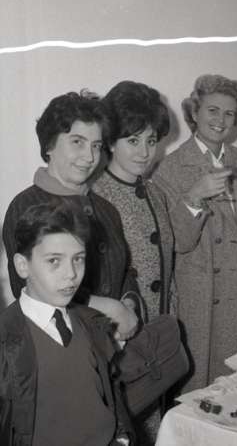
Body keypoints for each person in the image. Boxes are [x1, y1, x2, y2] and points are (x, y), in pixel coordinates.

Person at [153, 74, 237, 391]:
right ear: (194, 112)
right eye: (212, 110)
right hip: (200, 301)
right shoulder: (169, 168)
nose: (221, 120)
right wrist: (194, 196)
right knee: (201, 390)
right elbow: (177, 243)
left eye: (229, 113)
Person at [2, 91, 138, 340]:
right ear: (49, 145)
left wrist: (128, 306)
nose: (90, 157)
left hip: (113, 347)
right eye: (77, 142)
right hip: (61, 348)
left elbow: (126, 271)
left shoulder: (106, 210)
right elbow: (28, 287)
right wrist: (107, 308)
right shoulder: (25, 206)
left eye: (96, 146)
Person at [0, 202, 135, 446]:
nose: (71, 274)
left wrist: (122, 437)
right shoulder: (6, 339)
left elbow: (111, 391)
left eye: (78, 259)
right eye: (54, 261)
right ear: (22, 265)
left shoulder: (93, 323)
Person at [93, 80, 202, 320]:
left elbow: (177, 246)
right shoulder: (96, 196)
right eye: (133, 141)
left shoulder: (155, 193)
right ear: (111, 141)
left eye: (151, 141)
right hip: (121, 328)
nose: (144, 153)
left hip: (163, 325)